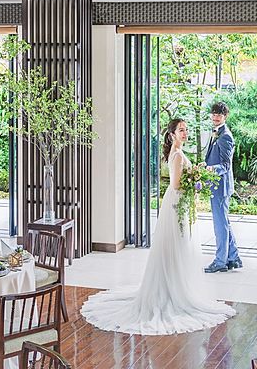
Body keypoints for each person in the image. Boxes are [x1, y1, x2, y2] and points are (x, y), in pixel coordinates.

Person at [80, 118, 236, 335]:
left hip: (179, 203)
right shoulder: (177, 155)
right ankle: (173, 292)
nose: (185, 133)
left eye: (186, 130)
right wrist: (195, 179)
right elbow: (176, 184)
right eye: (181, 130)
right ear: (172, 135)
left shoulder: (178, 153)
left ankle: (177, 287)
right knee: (176, 246)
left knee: (179, 247)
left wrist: (195, 173)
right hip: (176, 203)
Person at [204, 102, 242, 273]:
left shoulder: (225, 136)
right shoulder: (217, 133)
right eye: (214, 114)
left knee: (220, 225)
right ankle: (233, 258)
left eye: (219, 114)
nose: (215, 117)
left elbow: (225, 165)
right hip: (217, 185)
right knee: (224, 222)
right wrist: (206, 165)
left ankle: (220, 261)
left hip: (221, 186)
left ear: (225, 116)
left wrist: (210, 169)